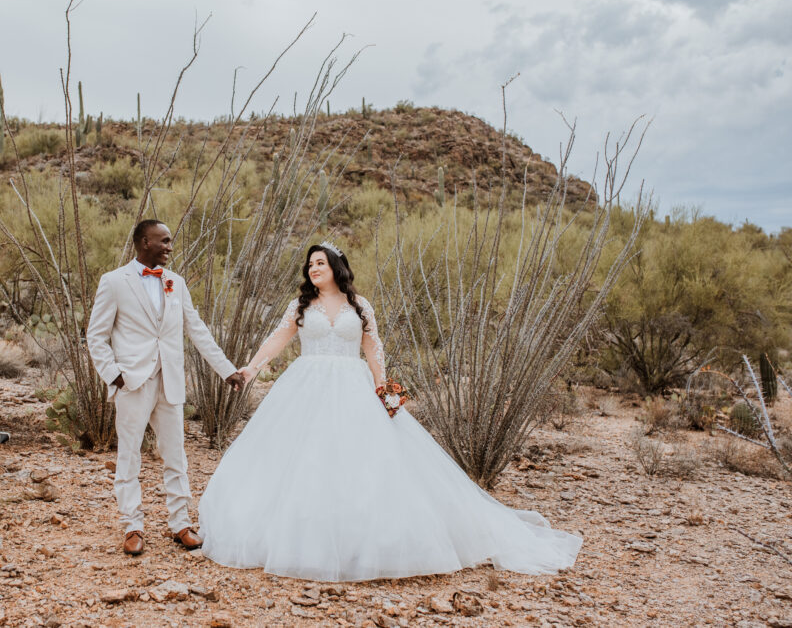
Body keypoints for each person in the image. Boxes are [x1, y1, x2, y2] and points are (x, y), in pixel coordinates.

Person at [197, 242, 581, 581]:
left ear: (336, 268)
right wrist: (251, 369)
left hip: (352, 385)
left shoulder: (360, 306)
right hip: (306, 384)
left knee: (365, 460)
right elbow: (277, 339)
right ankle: (302, 535)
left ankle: (361, 538)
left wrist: (385, 390)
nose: (313, 269)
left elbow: (372, 348)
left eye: (320, 263)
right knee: (303, 460)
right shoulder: (301, 305)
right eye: (310, 264)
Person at [87, 219, 245, 556]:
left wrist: (227, 370)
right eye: (164, 241)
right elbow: (96, 335)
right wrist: (113, 375)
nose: (170, 247)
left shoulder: (176, 283)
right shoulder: (114, 282)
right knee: (128, 456)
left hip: (170, 382)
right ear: (145, 242)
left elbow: (197, 330)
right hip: (132, 382)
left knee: (176, 455)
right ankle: (132, 526)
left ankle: (181, 524)